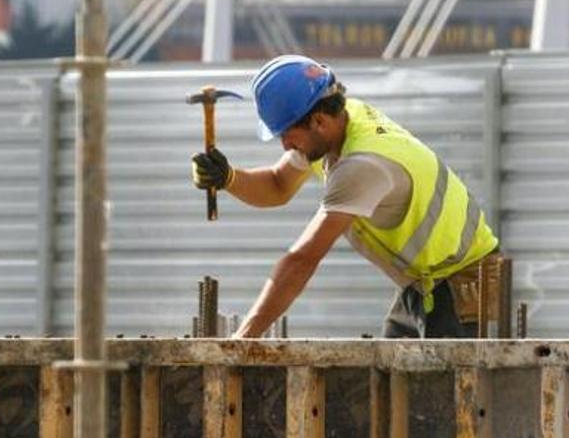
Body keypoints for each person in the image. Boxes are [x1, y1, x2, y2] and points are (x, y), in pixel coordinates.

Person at [192, 54, 499, 339]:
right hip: (426, 284)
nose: (285, 145)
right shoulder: (338, 122)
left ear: (318, 122)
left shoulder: (362, 164)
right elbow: (277, 185)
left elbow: (302, 259)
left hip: (468, 287)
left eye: (287, 133)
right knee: (388, 384)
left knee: (444, 395)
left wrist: (241, 341)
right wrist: (228, 177)